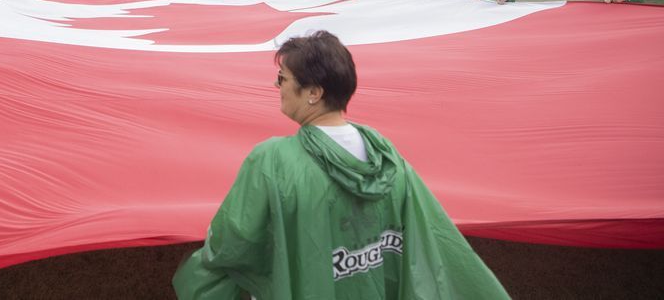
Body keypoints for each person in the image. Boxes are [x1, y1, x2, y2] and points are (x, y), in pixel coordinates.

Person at [172, 31, 509, 299]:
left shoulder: (271, 160)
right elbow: (435, 241)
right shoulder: (386, 155)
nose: (277, 87)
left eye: (282, 78)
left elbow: (229, 246)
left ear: (313, 93)